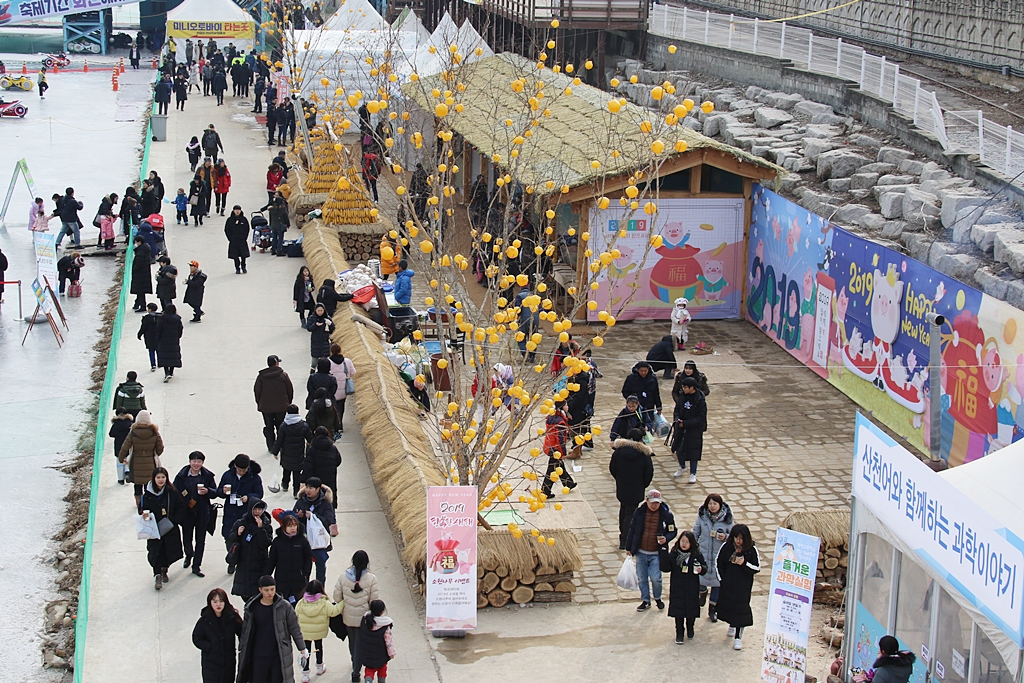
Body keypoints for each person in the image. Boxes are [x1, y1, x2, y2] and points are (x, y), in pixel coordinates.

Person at [236, 575, 307, 683]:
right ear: (260, 590)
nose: (270, 593)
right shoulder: (252, 607)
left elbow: (294, 628)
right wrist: (242, 648)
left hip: (278, 654)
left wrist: (302, 648)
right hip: (258, 655)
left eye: (272, 589)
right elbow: (246, 631)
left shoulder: (284, 606)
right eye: (266, 590)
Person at [624, 489, 677, 612]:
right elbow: (632, 529)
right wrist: (629, 547)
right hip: (641, 551)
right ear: (647, 500)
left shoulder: (666, 515)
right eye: (652, 502)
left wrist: (666, 538)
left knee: (656, 578)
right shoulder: (639, 513)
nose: (654, 505)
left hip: (656, 553)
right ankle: (646, 600)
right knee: (642, 578)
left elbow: (673, 530)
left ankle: (657, 597)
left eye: (657, 503)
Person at [332, 550, 380, 682]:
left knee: (353, 643)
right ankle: (359, 670)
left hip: (347, 618)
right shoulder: (371, 579)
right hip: (363, 620)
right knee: (362, 643)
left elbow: (336, 597)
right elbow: (374, 601)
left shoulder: (343, 577)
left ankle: (355, 665)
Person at [715, 523, 760, 650]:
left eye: (741, 538)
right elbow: (719, 563)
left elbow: (757, 567)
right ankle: (731, 624)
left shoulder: (752, 549)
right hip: (728, 585)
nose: (738, 541)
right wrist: (722, 579)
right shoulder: (727, 547)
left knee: (741, 610)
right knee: (728, 606)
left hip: (743, 587)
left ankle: (738, 637)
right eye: (736, 538)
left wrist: (744, 563)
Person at [139, 467, 185, 590]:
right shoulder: (147, 495)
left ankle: (165, 569)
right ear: (154, 479)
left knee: (168, 550)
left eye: (163, 477)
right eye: (158, 477)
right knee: (155, 552)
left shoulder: (171, 491)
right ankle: (157, 574)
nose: (161, 480)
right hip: (154, 529)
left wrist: (175, 520)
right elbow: (141, 509)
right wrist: (144, 514)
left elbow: (181, 506)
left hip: (169, 527)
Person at [173, 450, 218, 577]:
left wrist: (207, 491)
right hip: (187, 513)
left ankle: (196, 566)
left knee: (201, 540)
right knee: (187, 539)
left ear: (203, 463)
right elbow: (174, 492)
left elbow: (215, 492)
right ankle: (189, 555)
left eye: (199, 461)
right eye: (194, 461)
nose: (196, 464)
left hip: (202, 513)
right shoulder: (181, 476)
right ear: (189, 461)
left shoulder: (207, 476)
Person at [218, 454, 264, 574]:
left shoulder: (254, 477)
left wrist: (248, 497)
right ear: (235, 466)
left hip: (245, 512)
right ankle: (232, 560)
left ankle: (241, 562)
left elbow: (259, 494)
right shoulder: (228, 475)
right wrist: (223, 492)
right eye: (239, 470)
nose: (242, 472)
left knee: (244, 539)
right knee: (229, 536)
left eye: (244, 470)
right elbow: (219, 491)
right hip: (230, 512)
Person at [609, 428, 654, 550]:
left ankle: (622, 534)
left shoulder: (618, 452)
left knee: (623, 509)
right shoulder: (644, 455)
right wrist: (642, 485)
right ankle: (625, 539)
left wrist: (619, 479)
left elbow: (612, 468)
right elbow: (648, 473)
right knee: (630, 512)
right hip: (636, 487)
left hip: (622, 486)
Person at [693, 493, 734, 622]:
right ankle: (702, 592)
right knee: (700, 579)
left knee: (717, 584)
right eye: (710, 503)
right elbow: (695, 532)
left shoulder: (728, 519)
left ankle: (712, 609)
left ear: (720, 505)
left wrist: (725, 538)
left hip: (719, 555)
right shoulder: (702, 517)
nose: (712, 506)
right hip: (704, 554)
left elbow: (733, 536)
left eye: (715, 503)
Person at [193, 587, 243, 683]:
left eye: (221, 601)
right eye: (215, 601)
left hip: (228, 662)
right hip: (210, 664)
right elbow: (196, 638)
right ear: (210, 602)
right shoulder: (205, 619)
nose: (218, 604)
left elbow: (243, 633)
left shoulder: (232, 618)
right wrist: (210, 647)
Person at [294, 580, 341, 681]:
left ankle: (305, 673)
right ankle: (319, 666)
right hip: (319, 632)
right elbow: (334, 611)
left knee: (306, 651)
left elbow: (295, 614)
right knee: (318, 647)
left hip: (305, 632)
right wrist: (343, 603)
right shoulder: (324, 603)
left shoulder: (301, 602)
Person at [667, 530, 707, 644]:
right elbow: (665, 567)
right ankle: (679, 633)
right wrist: (663, 552)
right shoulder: (674, 554)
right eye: (682, 541)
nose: (684, 544)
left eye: (687, 542)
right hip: (677, 587)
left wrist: (701, 569)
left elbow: (704, 567)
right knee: (678, 612)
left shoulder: (696, 554)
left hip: (691, 588)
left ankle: (690, 627)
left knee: (691, 611)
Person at [294, 476, 337, 582]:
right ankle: (304, 589)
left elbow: (328, 520)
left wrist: (314, 517)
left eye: (311, 488)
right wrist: (299, 517)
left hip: (319, 541)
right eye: (307, 487)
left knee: (321, 567)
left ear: (318, 489)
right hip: (305, 539)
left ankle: (320, 589)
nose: (308, 490)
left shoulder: (325, 503)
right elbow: (293, 520)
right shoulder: (301, 501)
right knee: (304, 567)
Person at [231, 497, 274, 601]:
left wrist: (261, 529)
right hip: (243, 564)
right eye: (255, 509)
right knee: (245, 595)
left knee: (257, 595)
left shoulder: (266, 524)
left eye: (260, 509)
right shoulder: (241, 522)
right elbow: (230, 538)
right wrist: (237, 534)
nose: (257, 512)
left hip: (258, 564)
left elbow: (266, 543)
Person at [118, 409, 164, 505]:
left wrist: (121, 458)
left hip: (136, 462)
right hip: (150, 462)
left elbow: (125, 446)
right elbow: (160, 448)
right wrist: (154, 454)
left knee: (137, 484)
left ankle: (139, 503)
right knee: (149, 484)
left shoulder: (133, 432)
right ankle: (148, 502)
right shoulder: (155, 432)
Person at [267, 511, 312, 605]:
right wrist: (267, 575)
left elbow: (308, 557)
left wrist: (306, 573)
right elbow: (272, 560)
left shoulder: (302, 540)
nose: (293, 528)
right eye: (290, 526)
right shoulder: (277, 542)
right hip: (282, 578)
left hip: (298, 579)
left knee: (298, 603)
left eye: (294, 525)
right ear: (284, 527)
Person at [671, 376, 707, 482]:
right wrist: (678, 420)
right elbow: (677, 410)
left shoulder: (700, 400)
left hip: (694, 430)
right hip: (681, 427)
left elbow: (701, 418)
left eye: (685, 387)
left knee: (693, 452)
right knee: (678, 448)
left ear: (692, 388)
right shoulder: (682, 397)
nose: (683, 389)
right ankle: (682, 467)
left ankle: (693, 473)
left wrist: (686, 423)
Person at [255, 355, 294, 451]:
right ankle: (280, 446)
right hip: (281, 407)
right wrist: (287, 403)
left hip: (266, 407)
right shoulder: (283, 375)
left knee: (269, 427)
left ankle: (271, 446)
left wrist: (260, 403)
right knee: (280, 426)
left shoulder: (261, 377)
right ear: (276, 363)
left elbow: (257, 391)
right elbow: (290, 390)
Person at [272, 405, 312, 498]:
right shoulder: (303, 425)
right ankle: (296, 491)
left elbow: (279, 440)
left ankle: (285, 484)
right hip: (299, 453)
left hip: (286, 453)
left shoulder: (283, 426)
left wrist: (275, 451)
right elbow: (310, 438)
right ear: (298, 412)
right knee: (297, 472)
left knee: (286, 469)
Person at [539, 401, 577, 498]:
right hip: (556, 449)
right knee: (552, 470)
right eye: (566, 405)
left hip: (550, 445)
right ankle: (545, 492)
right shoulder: (560, 422)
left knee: (558, 467)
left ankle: (569, 483)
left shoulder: (551, 418)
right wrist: (563, 453)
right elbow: (560, 440)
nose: (567, 407)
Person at [357, 599, 395, 683]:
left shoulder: (365, 621)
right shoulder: (385, 625)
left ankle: (368, 680)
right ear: (382, 611)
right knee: (382, 668)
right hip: (381, 654)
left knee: (369, 669)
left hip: (367, 653)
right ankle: (381, 681)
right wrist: (391, 653)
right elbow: (389, 642)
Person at [301, 429, 341, 506]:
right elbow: (338, 461)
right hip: (330, 479)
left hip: (316, 481)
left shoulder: (312, 450)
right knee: (329, 500)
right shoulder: (333, 448)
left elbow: (307, 467)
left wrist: (303, 480)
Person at [621, 361, 662, 427]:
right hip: (635, 408)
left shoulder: (653, 379)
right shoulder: (631, 378)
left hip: (649, 406)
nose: (643, 373)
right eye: (641, 371)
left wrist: (659, 406)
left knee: (648, 425)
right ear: (637, 370)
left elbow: (656, 393)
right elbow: (625, 391)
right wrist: (632, 401)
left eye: (645, 371)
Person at [327, 344, 355, 435]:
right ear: (340, 351)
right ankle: (340, 425)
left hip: (332, 389)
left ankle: (333, 425)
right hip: (343, 389)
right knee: (341, 407)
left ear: (331, 351)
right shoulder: (347, 361)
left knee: (332, 407)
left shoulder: (328, 362)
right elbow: (353, 373)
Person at [156, 303, 183, 382]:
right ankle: (171, 372)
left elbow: (158, 330)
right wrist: (177, 336)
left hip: (163, 340)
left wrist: (158, 339)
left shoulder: (161, 319)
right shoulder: (177, 319)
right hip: (174, 340)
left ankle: (166, 372)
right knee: (172, 356)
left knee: (165, 356)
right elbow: (180, 329)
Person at [109, 408, 134, 484]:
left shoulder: (116, 424)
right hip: (128, 444)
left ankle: (121, 479)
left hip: (118, 445)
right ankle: (127, 471)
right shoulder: (129, 423)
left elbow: (111, 434)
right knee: (128, 458)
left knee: (119, 462)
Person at [224, 205, 250, 274]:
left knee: (243, 255)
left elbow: (247, 229)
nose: (237, 211)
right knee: (235, 256)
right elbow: (227, 230)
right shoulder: (230, 220)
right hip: (234, 241)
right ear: (233, 211)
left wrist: (244, 237)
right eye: (236, 210)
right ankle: (237, 268)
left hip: (242, 240)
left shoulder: (244, 219)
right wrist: (230, 238)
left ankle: (243, 267)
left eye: (238, 210)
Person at [130, 237, 154, 310]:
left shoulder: (140, 252)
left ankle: (143, 306)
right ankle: (137, 304)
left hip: (140, 274)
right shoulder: (144, 249)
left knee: (140, 291)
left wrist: (134, 270)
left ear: (139, 242)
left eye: (136, 242)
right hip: (144, 273)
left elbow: (138, 264)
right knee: (140, 290)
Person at [138, 302, 161, 369]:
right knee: (158, 350)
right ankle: (160, 363)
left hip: (149, 337)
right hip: (158, 336)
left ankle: (153, 364)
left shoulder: (146, 318)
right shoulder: (160, 317)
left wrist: (139, 334)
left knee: (151, 351)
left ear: (150, 309)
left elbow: (143, 327)